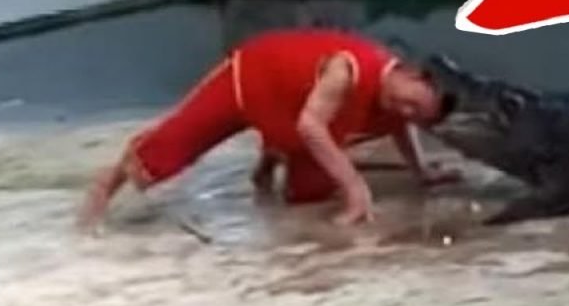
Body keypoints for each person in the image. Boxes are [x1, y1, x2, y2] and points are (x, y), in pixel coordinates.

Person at [76, 27, 461, 231]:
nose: (407, 111)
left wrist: (420, 170)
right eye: (412, 101)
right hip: (255, 79)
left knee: (308, 195)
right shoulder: (349, 69)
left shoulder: (395, 100)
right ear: (412, 73)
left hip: (297, 111)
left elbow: (399, 124)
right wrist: (355, 185)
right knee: (171, 147)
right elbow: (312, 127)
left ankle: (272, 156)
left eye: (418, 114)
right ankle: (107, 182)